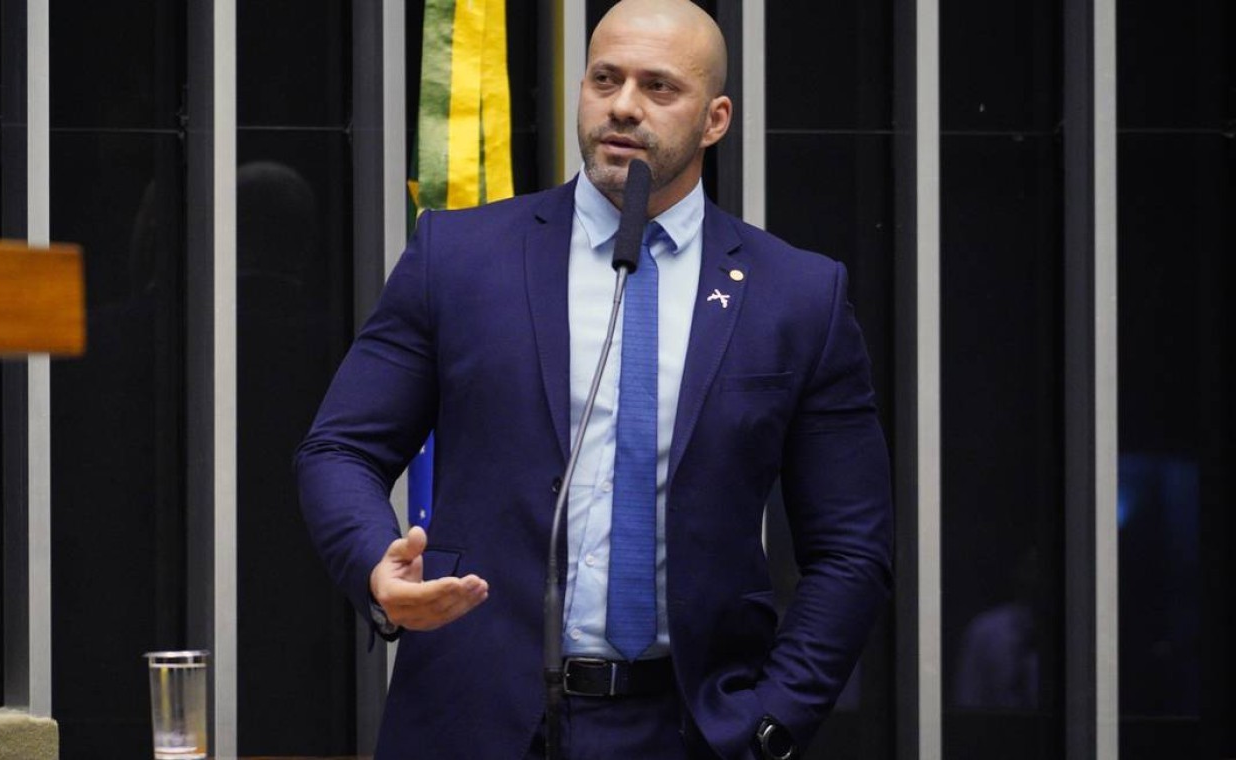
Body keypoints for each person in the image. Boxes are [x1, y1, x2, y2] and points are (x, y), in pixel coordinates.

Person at [296, 1, 892, 758]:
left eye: (657, 88)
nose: (622, 106)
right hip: (468, 720)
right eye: (604, 78)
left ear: (714, 119)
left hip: (685, 728)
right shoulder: (460, 257)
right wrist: (376, 566)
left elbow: (851, 548)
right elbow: (339, 448)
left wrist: (770, 723)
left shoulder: (798, 296)